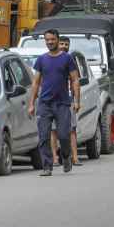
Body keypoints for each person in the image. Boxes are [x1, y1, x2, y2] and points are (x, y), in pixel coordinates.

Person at [28, 29, 81, 176]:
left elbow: (75, 80)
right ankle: (47, 166)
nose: (50, 42)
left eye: (52, 39)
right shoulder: (41, 60)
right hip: (44, 104)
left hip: (62, 103)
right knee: (44, 137)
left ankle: (66, 156)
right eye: (47, 40)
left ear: (57, 40)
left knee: (64, 135)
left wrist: (76, 101)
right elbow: (36, 83)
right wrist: (32, 103)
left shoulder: (67, 58)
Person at [58, 36, 82, 166]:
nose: (63, 46)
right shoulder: (50, 59)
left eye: (66, 44)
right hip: (54, 101)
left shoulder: (71, 61)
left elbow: (76, 81)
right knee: (54, 131)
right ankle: (55, 159)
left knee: (72, 129)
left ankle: (75, 158)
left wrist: (77, 101)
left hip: (69, 100)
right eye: (61, 43)